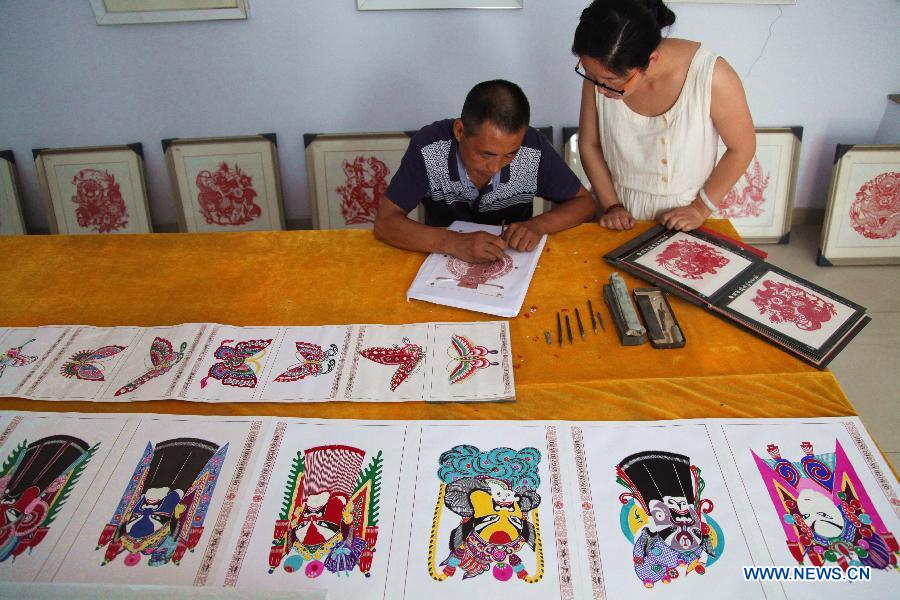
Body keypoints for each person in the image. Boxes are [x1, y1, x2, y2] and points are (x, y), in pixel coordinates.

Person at [572, 0, 755, 232]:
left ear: (652, 59)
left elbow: (743, 147)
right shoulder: (601, 74)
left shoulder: (711, 75)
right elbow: (589, 144)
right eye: (589, 74)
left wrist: (700, 208)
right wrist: (612, 206)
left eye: (612, 82)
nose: (599, 88)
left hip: (688, 214)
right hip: (617, 210)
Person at [374, 80, 596, 263]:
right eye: (486, 154)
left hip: (511, 259)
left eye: (510, 154)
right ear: (460, 131)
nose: (495, 167)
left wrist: (538, 225)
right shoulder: (430, 147)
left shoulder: (533, 148)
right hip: (441, 257)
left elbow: (584, 203)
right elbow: (386, 222)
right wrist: (452, 242)